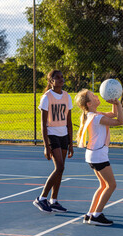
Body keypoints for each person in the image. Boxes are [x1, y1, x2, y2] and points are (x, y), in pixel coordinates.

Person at [75, 89, 123, 226]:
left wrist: (114, 101)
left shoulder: (93, 114)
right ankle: (97, 215)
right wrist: (119, 103)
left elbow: (113, 114)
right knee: (112, 185)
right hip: (98, 155)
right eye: (93, 96)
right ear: (90, 104)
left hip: (93, 155)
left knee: (103, 185)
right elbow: (120, 121)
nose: (97, 96)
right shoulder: (97, 118)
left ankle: (90, 213)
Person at [33, 70, 74, 213]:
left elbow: (69, 121)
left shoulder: (67, 96)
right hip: (52, 134)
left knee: (61, 169)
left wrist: (71, 143)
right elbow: (43, 124)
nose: (61, 80)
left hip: (64, 134)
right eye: (57, 78)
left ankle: (54, 201)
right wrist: (46, 146)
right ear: (51, 81)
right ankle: (42, 198)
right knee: (59, 167)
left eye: (62, 77)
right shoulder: (46, 97)